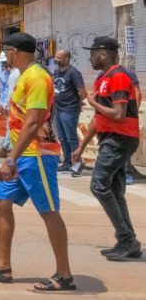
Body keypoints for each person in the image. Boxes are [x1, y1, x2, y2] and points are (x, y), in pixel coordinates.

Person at [0, 32, 74, 292]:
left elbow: (33, 122)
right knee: (1, 201)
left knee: (48, 211)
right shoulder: (27, 75)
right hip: (23, 155)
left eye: (6, 51)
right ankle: (2, 266)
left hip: (36, 154)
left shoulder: (37, 78)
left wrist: (10, 159)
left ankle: (64, 274)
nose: (4, 56)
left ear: (15, 52)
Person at [72, 37, 141, 261]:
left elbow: (118, 115)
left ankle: (126, 239)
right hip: (110, 139)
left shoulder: (118, 77)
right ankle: (128, 242)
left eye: (92, 53)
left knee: (99, 186)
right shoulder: (103, 79)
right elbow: (99, 117)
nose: (90, 57)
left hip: (119, 139)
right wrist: (82, 145)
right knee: (115, 190)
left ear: (103, 54)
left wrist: (92, 103)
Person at [51, 50, 86, 176]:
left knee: (71, 138)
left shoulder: (74, 73)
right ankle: (67, 162)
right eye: (55, 56)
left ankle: (77, 165)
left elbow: (83, 93)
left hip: (69, 110)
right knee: (62, 137)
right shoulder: (57, 71)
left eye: (59, 57)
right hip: (58, 109)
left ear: (67, 59)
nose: (56, 59)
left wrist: (76, 103)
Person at [0, 53, 20, 158]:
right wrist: (2, 103)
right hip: (9, 104)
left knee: (11, 127)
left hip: (15, 105)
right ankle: (9, 148)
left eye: (5, 61)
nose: (4, 64)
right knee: (11, 127)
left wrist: (6, 105)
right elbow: (3, 90)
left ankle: (6, 148)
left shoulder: (15, 73)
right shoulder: (5, 74)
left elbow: (11, 92)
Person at [119, 67, 142, 185]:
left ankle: (127, 172)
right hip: (110, 117)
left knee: (125, 144)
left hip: (126, 116)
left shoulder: (127, 73)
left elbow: (138, 93)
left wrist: (133, 113)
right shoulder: (102, 74)